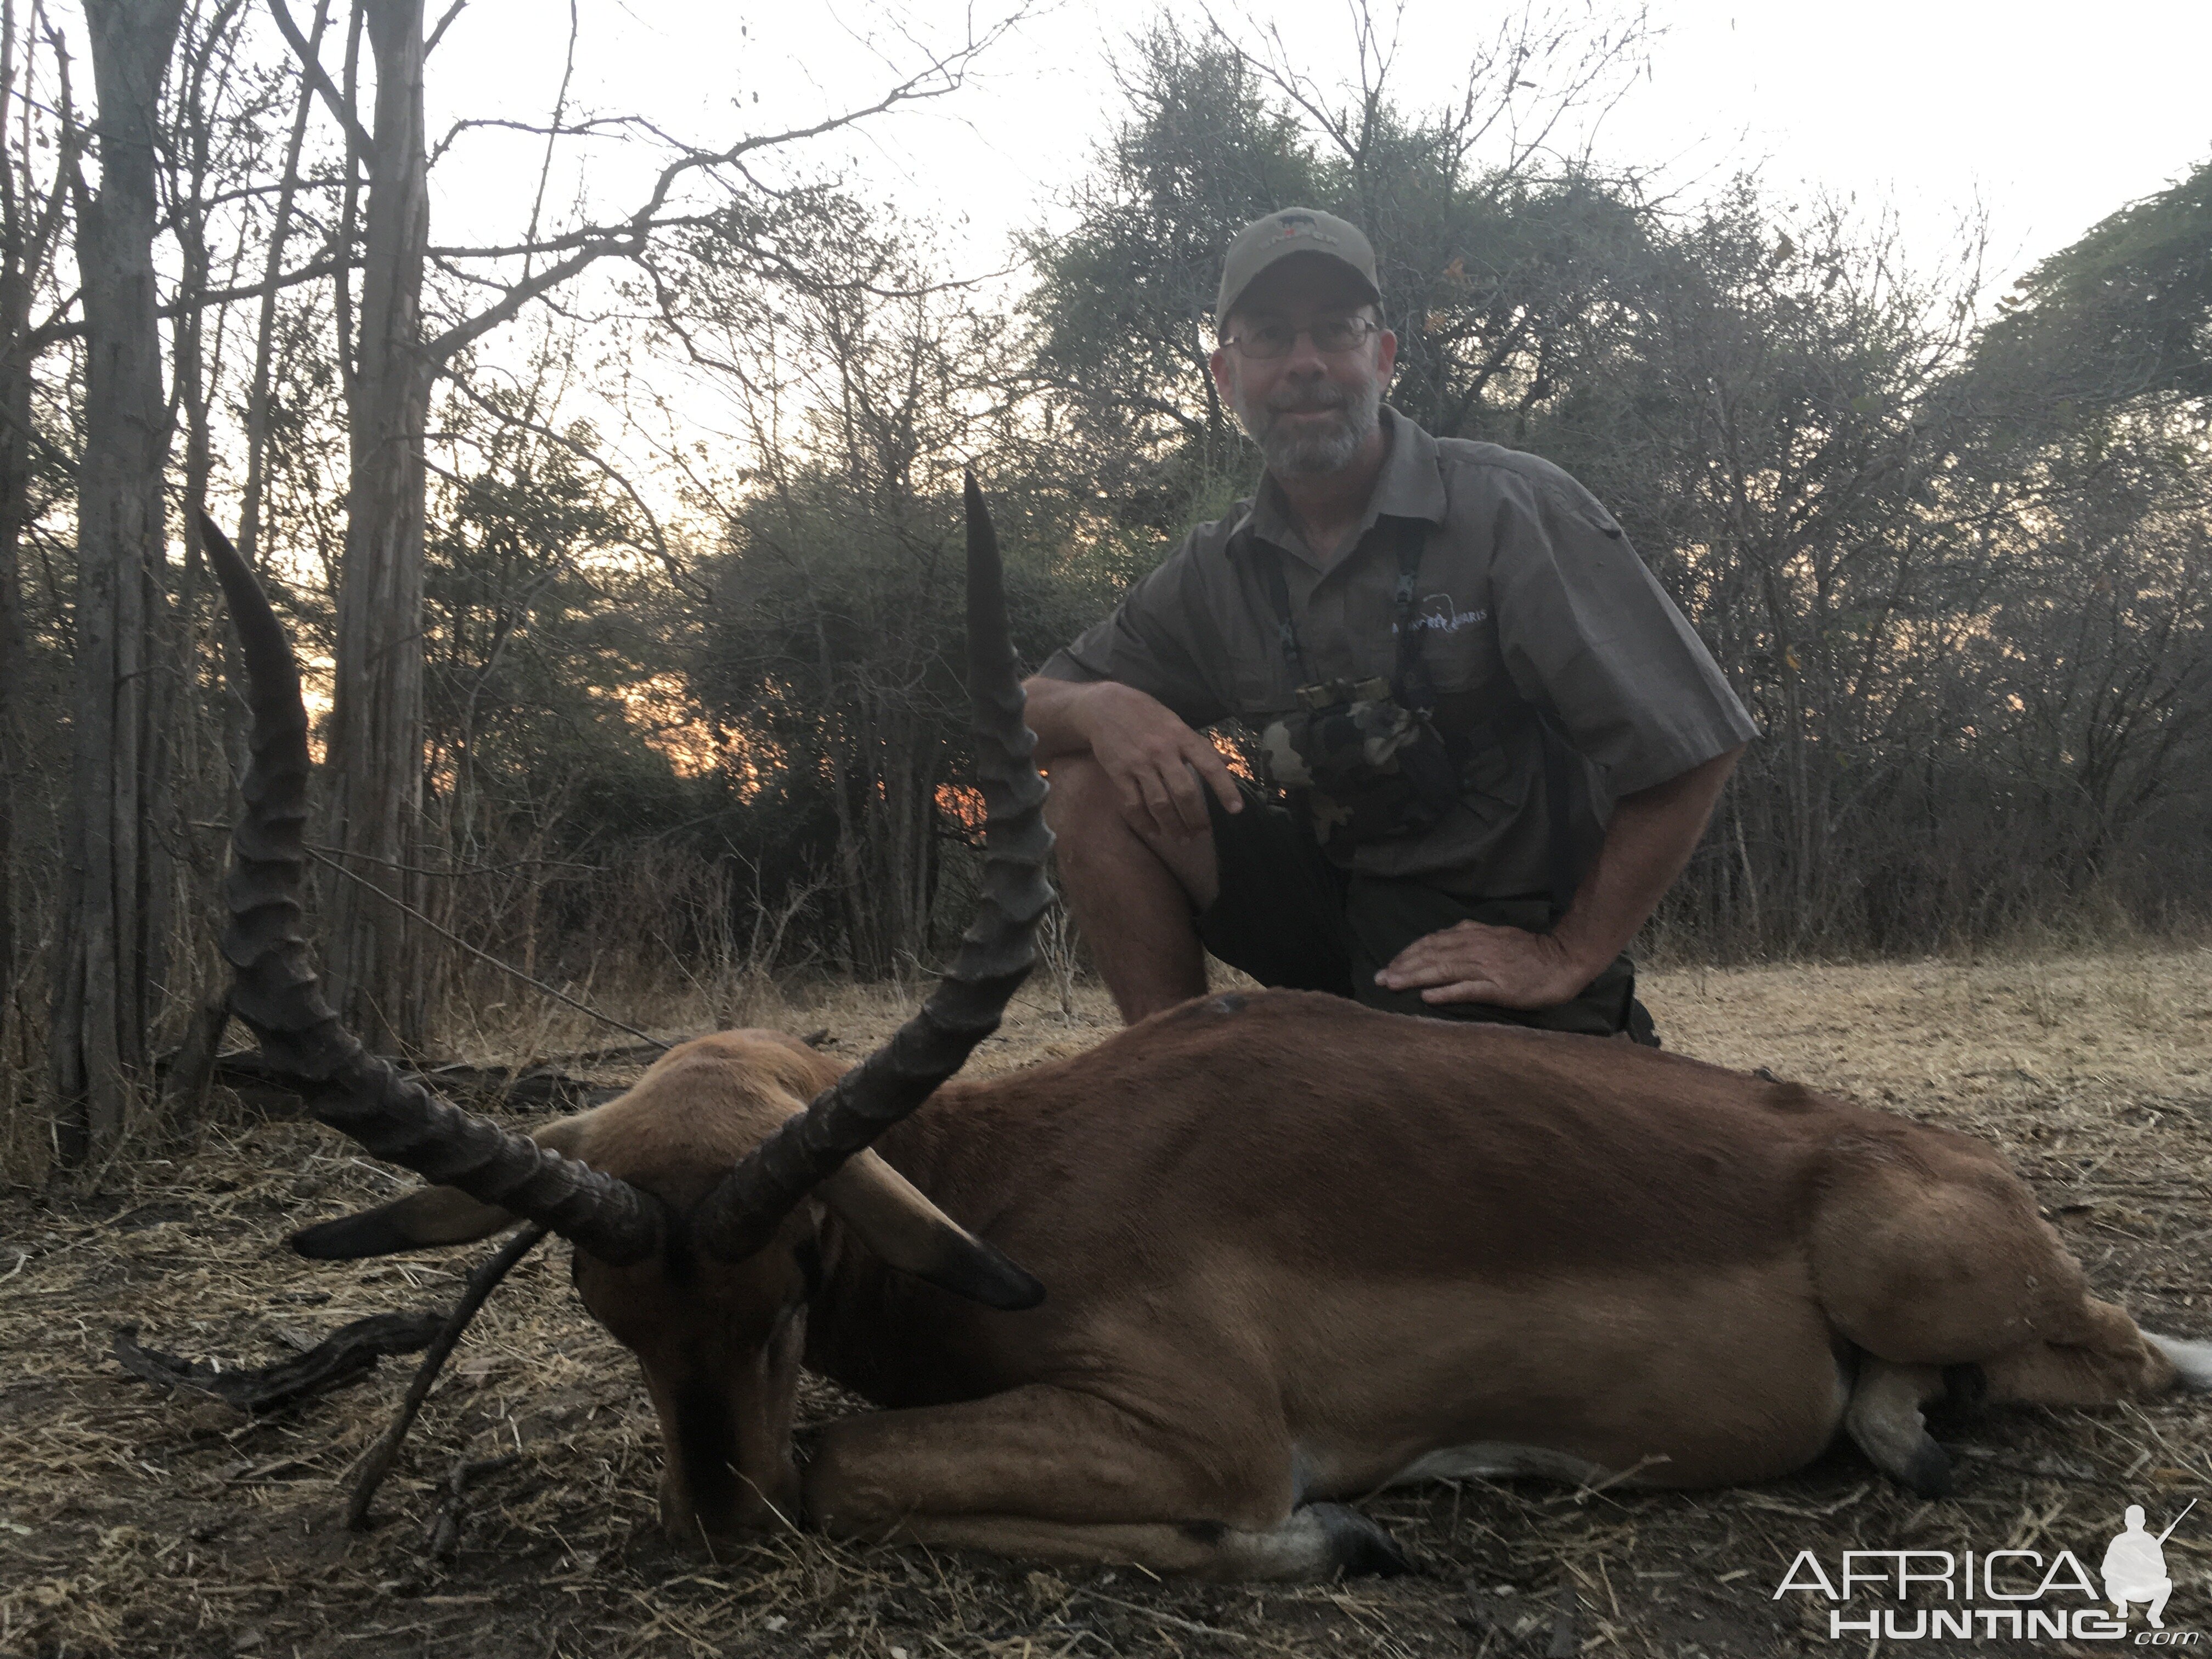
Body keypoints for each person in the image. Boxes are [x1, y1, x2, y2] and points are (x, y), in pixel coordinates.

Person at [1023, 207, 1757, 1039]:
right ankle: (1172, 1073)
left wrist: (1566, 952)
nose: (1306, 364)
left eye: (1335, 330)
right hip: (1326, 919)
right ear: (1225, 377)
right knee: (1085, 782)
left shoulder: (1513, 508)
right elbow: (1014, 713)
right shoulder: (1213, 569)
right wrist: (1095, 708)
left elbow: (1696, 742)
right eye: (1269, 336)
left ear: (1382, 357)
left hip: (1483, 942)